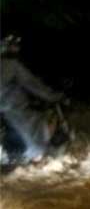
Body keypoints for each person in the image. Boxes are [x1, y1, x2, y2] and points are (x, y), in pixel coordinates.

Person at [0, 34, 63, 163]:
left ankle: (15, 154)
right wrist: (53, 96)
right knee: (35, 124)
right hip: (10, 107)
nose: (16, 49)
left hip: (6, 109)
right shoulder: (12, 65)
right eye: (14, 46)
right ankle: (35, 155)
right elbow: (32, 84)